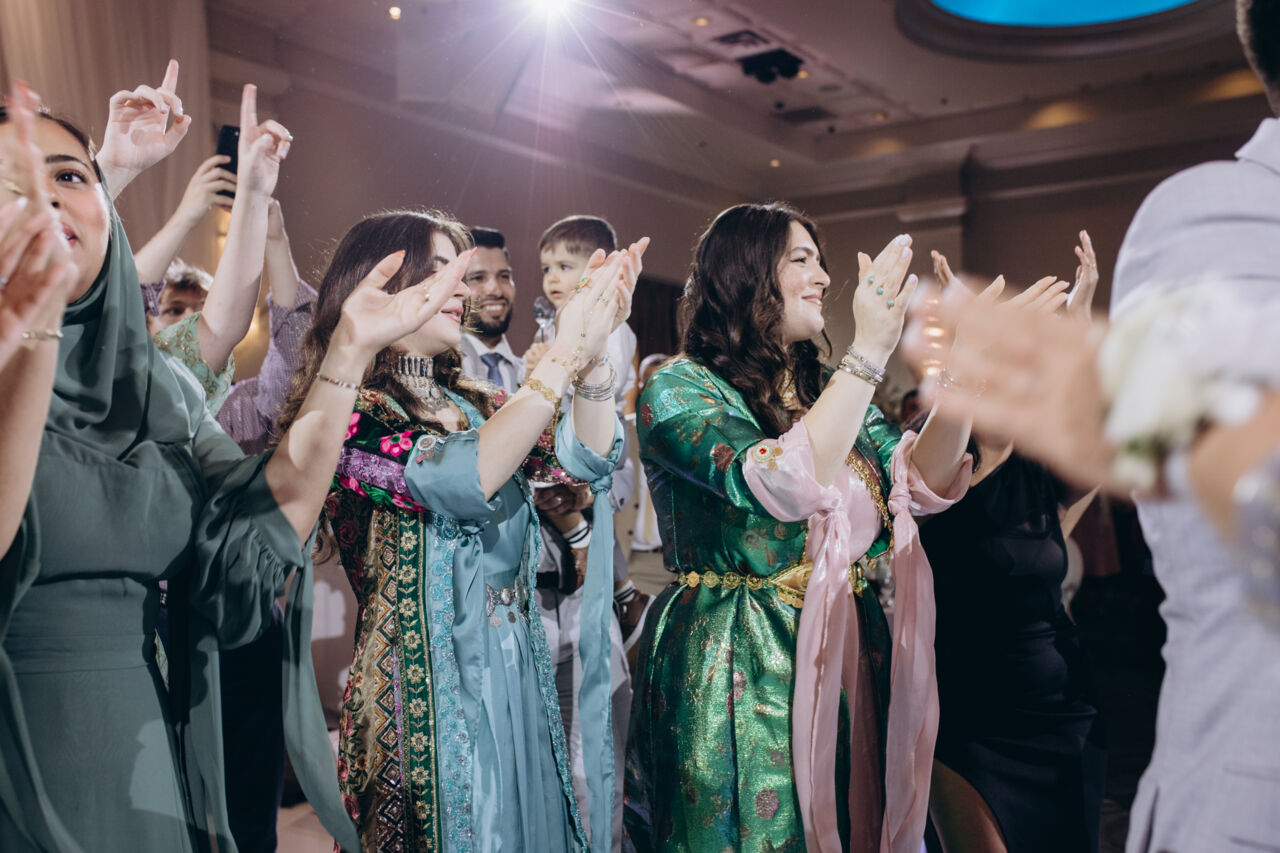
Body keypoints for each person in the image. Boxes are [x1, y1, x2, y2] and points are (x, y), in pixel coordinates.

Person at [0, 64, 470, 851]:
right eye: (14, 181)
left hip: (145, 749)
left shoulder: (157, 390)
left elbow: (268, 516)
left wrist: (348, 352)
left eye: (70, 175)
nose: (47, 197)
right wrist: (36, 313)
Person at [276, 207, 644, 851]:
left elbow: (584, 459)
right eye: (440, 270)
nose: (462, 289)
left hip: (516, 672)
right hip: (421, 691)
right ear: (382, 282)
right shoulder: (353, 415)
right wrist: (562, 352)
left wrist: (591, 357)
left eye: (461, 271)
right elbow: (461, 478)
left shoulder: (477, 402)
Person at [625, 202, 973, 853]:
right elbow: (781, 481)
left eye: (821, 260)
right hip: (739, 651)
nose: (823, 277)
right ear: (746, 273)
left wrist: (966, 379)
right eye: (801, 259)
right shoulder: (679, 389)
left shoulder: (826, 389)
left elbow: (920, 483)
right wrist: (869, 351)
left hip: (848, 642)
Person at [920, 244, 1106, 853]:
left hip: (1062, 715)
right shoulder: (937, 463)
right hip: (970, 722)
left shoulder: (1039, 469)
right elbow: (944, 465)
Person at [459, 226, 522, 393]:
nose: (495, 290)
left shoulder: (531, 373)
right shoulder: (440, 372)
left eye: (504, 276)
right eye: (478, 278)